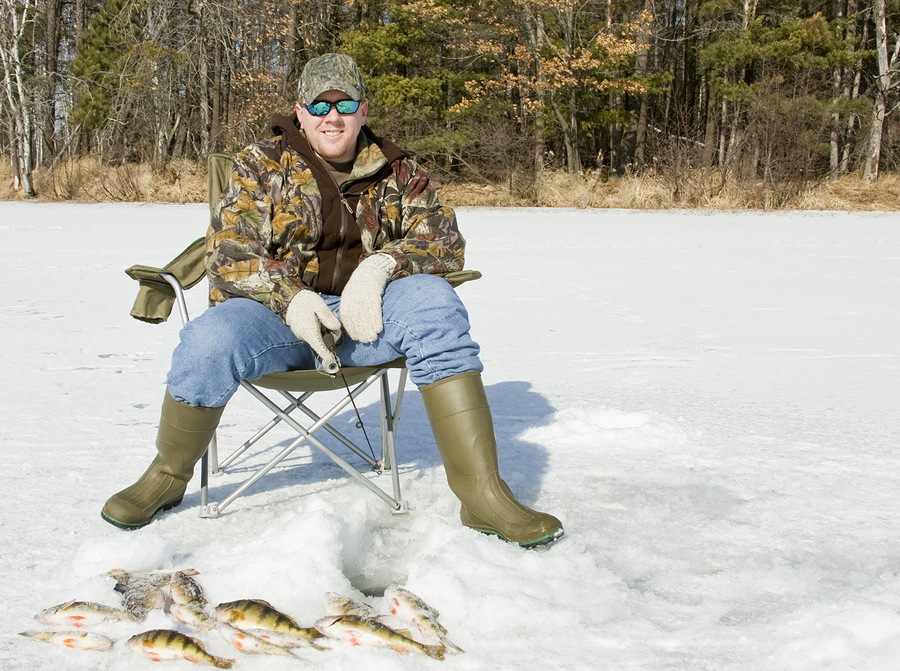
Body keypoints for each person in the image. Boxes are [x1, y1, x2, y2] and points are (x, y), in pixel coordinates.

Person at [101, 53, 564, 547]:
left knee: (433, 302)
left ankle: (483, 497)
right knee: (207, 338)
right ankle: (167, 478)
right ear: (299, 112)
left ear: (363, 110)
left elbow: (445, 242)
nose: (332, 116)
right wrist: (291, 299)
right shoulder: (260, 165)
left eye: (344, 103)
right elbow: (230, 253)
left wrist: (382, 268)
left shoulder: (399, 171)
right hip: (274, 324)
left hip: (366, 324)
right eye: (319, 106)